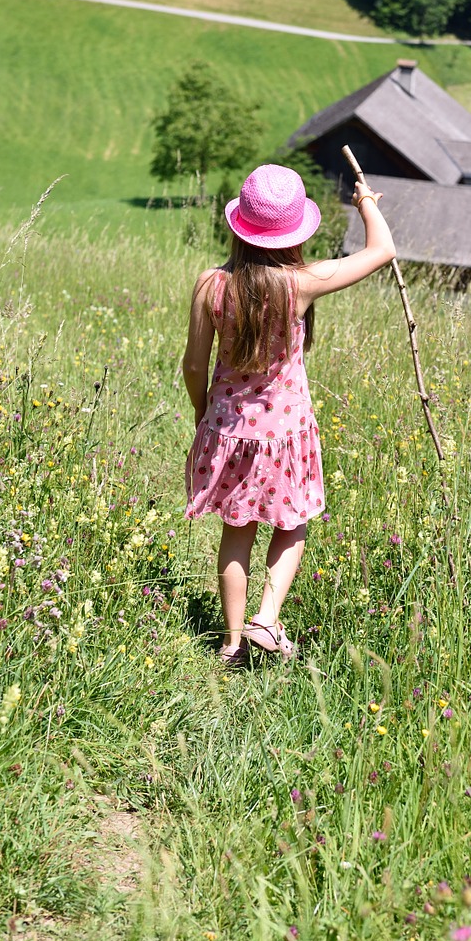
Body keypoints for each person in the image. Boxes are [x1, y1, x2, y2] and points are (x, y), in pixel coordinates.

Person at [182, 163, 395, 664]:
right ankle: (266, 620)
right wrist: (366, 202)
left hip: (228, 430)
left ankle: (232, 643)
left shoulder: (211, 285)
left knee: (237, 529)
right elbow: (382, 250)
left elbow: (194, 364)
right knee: (290, 525)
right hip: (285, 434)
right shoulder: (300, 283)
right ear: (294, 231)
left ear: (241, 225)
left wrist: (202, 414)